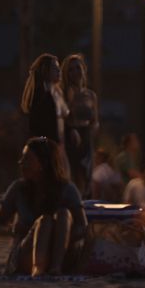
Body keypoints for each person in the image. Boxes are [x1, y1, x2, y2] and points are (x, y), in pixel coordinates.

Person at [0, 137, 88, 276]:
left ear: (43, 163)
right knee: (45, 222)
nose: (21, 163)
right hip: (26, 253)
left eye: (27, 159)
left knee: (63, 214)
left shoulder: (67, 189)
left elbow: (83, 227)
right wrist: (10, 230)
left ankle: (55, 268)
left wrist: (60, 236)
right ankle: (38, 269)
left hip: (61, 253)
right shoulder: (18, 189)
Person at [61, 54, 99, 197]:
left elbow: (95, 120)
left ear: (84, 69)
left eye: (78, 68)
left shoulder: (90, 95)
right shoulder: (64, 94)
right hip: (71, 136)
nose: (76, 72)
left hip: (86, 136)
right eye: (71, 69)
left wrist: (94, 129)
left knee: (86, 176)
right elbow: (63, 118)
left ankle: (85, 211)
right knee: (73, 175)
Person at [21, 54, 68, 145]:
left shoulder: (57, 94)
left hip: (57, 145)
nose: (59, 70)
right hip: (47, 148)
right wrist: (46, 141)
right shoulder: (40, 96)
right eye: (54, 68)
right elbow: (37, 129)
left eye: (58, 67)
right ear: (45, 71)